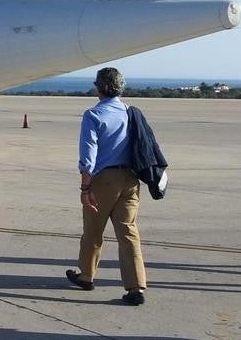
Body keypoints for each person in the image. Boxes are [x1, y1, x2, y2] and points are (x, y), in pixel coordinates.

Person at [66, 67, 148, 306]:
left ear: (98, 87)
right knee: (128, 232)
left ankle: (86, 276)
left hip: (104, 179)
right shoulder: (130, 112)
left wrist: (85, 186)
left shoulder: (93, 115)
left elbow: (88, 154)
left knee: (93, 230)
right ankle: (136, 287)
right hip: (131, 179)